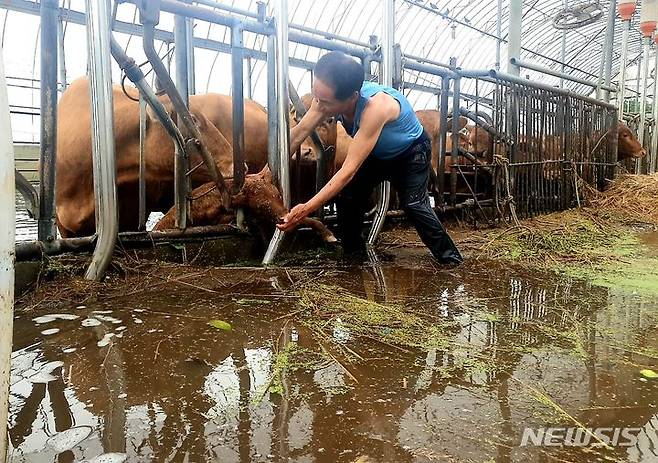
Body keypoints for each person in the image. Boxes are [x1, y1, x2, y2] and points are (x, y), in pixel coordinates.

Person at [280, 51, 463, 265]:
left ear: (351, 97)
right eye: (316, 95)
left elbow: (348, 171)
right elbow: (300, 132)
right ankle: (353, 256)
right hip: (378, 153)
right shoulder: (324, 100)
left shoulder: (376, 107)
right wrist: (267, 171)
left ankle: (451, 260)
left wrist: (305, 209)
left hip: (411, 153)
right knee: (348, 196)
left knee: (414, 204)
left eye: (325, 101)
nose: (319, 104)